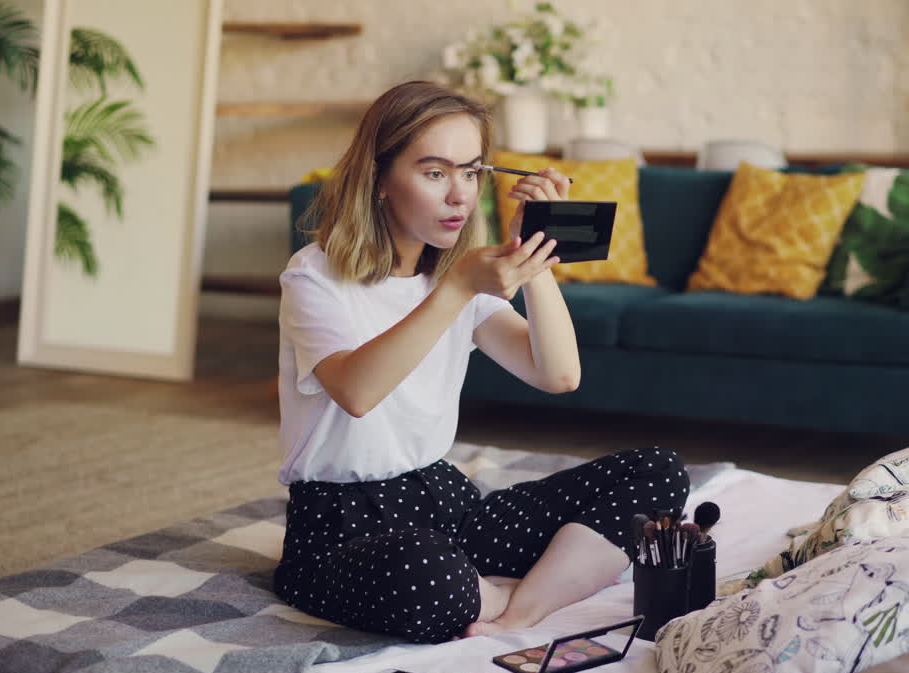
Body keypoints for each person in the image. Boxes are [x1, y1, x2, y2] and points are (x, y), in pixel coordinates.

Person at [273, 80, 688, 643]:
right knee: (425, 574)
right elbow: (357, 392)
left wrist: (532, 257)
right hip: (340, 526)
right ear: (378, 179)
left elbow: (559, 375)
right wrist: (458, 288)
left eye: (470, 173)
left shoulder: (456, 276)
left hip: (446, 502)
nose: (460, 196)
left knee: (657, 472)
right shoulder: (314, 276)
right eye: (435, 173)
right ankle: (508, 590)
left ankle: (518, 609)